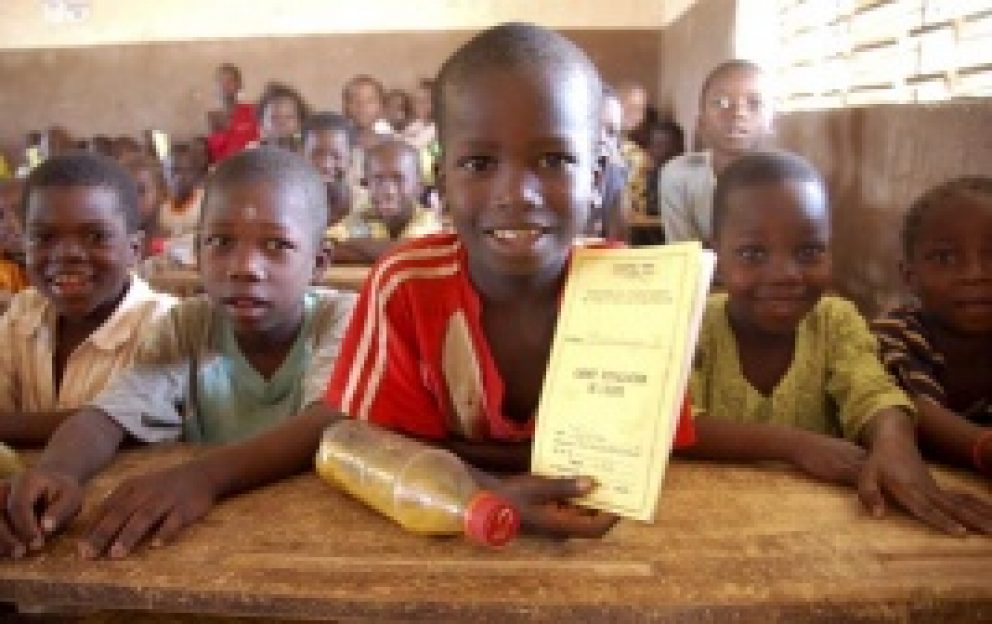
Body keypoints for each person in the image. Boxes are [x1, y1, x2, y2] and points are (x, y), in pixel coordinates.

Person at [0, 24, 696, 559]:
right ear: (445, 177)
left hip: (600, 550)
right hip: (418, 544)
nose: (516, 192)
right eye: (481, 162)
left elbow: (656, 446)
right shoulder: (402, 286)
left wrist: (793, 446)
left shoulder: (633, 290)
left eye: (554, 159)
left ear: (602, 168)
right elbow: (361, 440)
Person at [0, 148, 357, 559]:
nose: (244, 267)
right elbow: (105, 417)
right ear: (197, 251)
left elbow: (326, 421)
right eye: (220, 242)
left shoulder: (342, 318)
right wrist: (57, 471)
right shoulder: (188, 326)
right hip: (218, 546)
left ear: (319, 262)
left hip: (317, 545)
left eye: (276, 245)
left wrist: (203, 478)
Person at [682, 149, 992, 535]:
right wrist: (795, 445)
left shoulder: (836, 321)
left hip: (815, 531)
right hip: (700, 522)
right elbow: (675, 424)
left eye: (809, 251)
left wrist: (893, 442)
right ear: (717, 255)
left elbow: (874, 394)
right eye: (753, 253)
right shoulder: (689, 323)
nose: (785, 274)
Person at [0, 152, 176, 446]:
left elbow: (130, 425)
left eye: (95, 237)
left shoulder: (165, 322)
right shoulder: (24, 312)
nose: (67, 253)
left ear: (134, 249)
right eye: (44, 237)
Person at [873, 177, 992, 476]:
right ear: (909, 276)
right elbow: (907, 410)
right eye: (945, 257)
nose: (974, 274)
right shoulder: (894, 335)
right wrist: (983, 447)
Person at [659, 60, 774, 245]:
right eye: (721, 102)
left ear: (771, 122)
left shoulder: (787, 183)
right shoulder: (679, 175)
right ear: (701, 122)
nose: (738, 113)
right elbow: (686, 256)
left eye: (754, 103)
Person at [326, 139, 441, 264]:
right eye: (378, 179)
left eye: (398, 179)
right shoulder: (364, 216)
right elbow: (326, 248)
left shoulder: (428, 221)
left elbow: (415, 251)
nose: (389, 191)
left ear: (419, 187)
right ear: (367, 184)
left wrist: (350, 244)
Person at [302, 112, 357, 231]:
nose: (326, 165)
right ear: (301, 154)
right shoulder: (286, 200)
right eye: (316, 154)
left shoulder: (365, 205)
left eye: (336, 155)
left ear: (350, 159)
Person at [206, 63, 260, 163]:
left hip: (250, 168)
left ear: (239, 84)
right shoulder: (213, 117)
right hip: (224, 171)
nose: (224, 86)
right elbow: (213, 154)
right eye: (220, 81)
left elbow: (258, 144)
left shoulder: (252, 110)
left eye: (229, 81)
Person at [257, 82, 309, 153]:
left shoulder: (306, 154)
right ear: (261, 121)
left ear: (299, 121)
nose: (282, 122)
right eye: (274, 117)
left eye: (289, 117)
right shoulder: (252, 153)